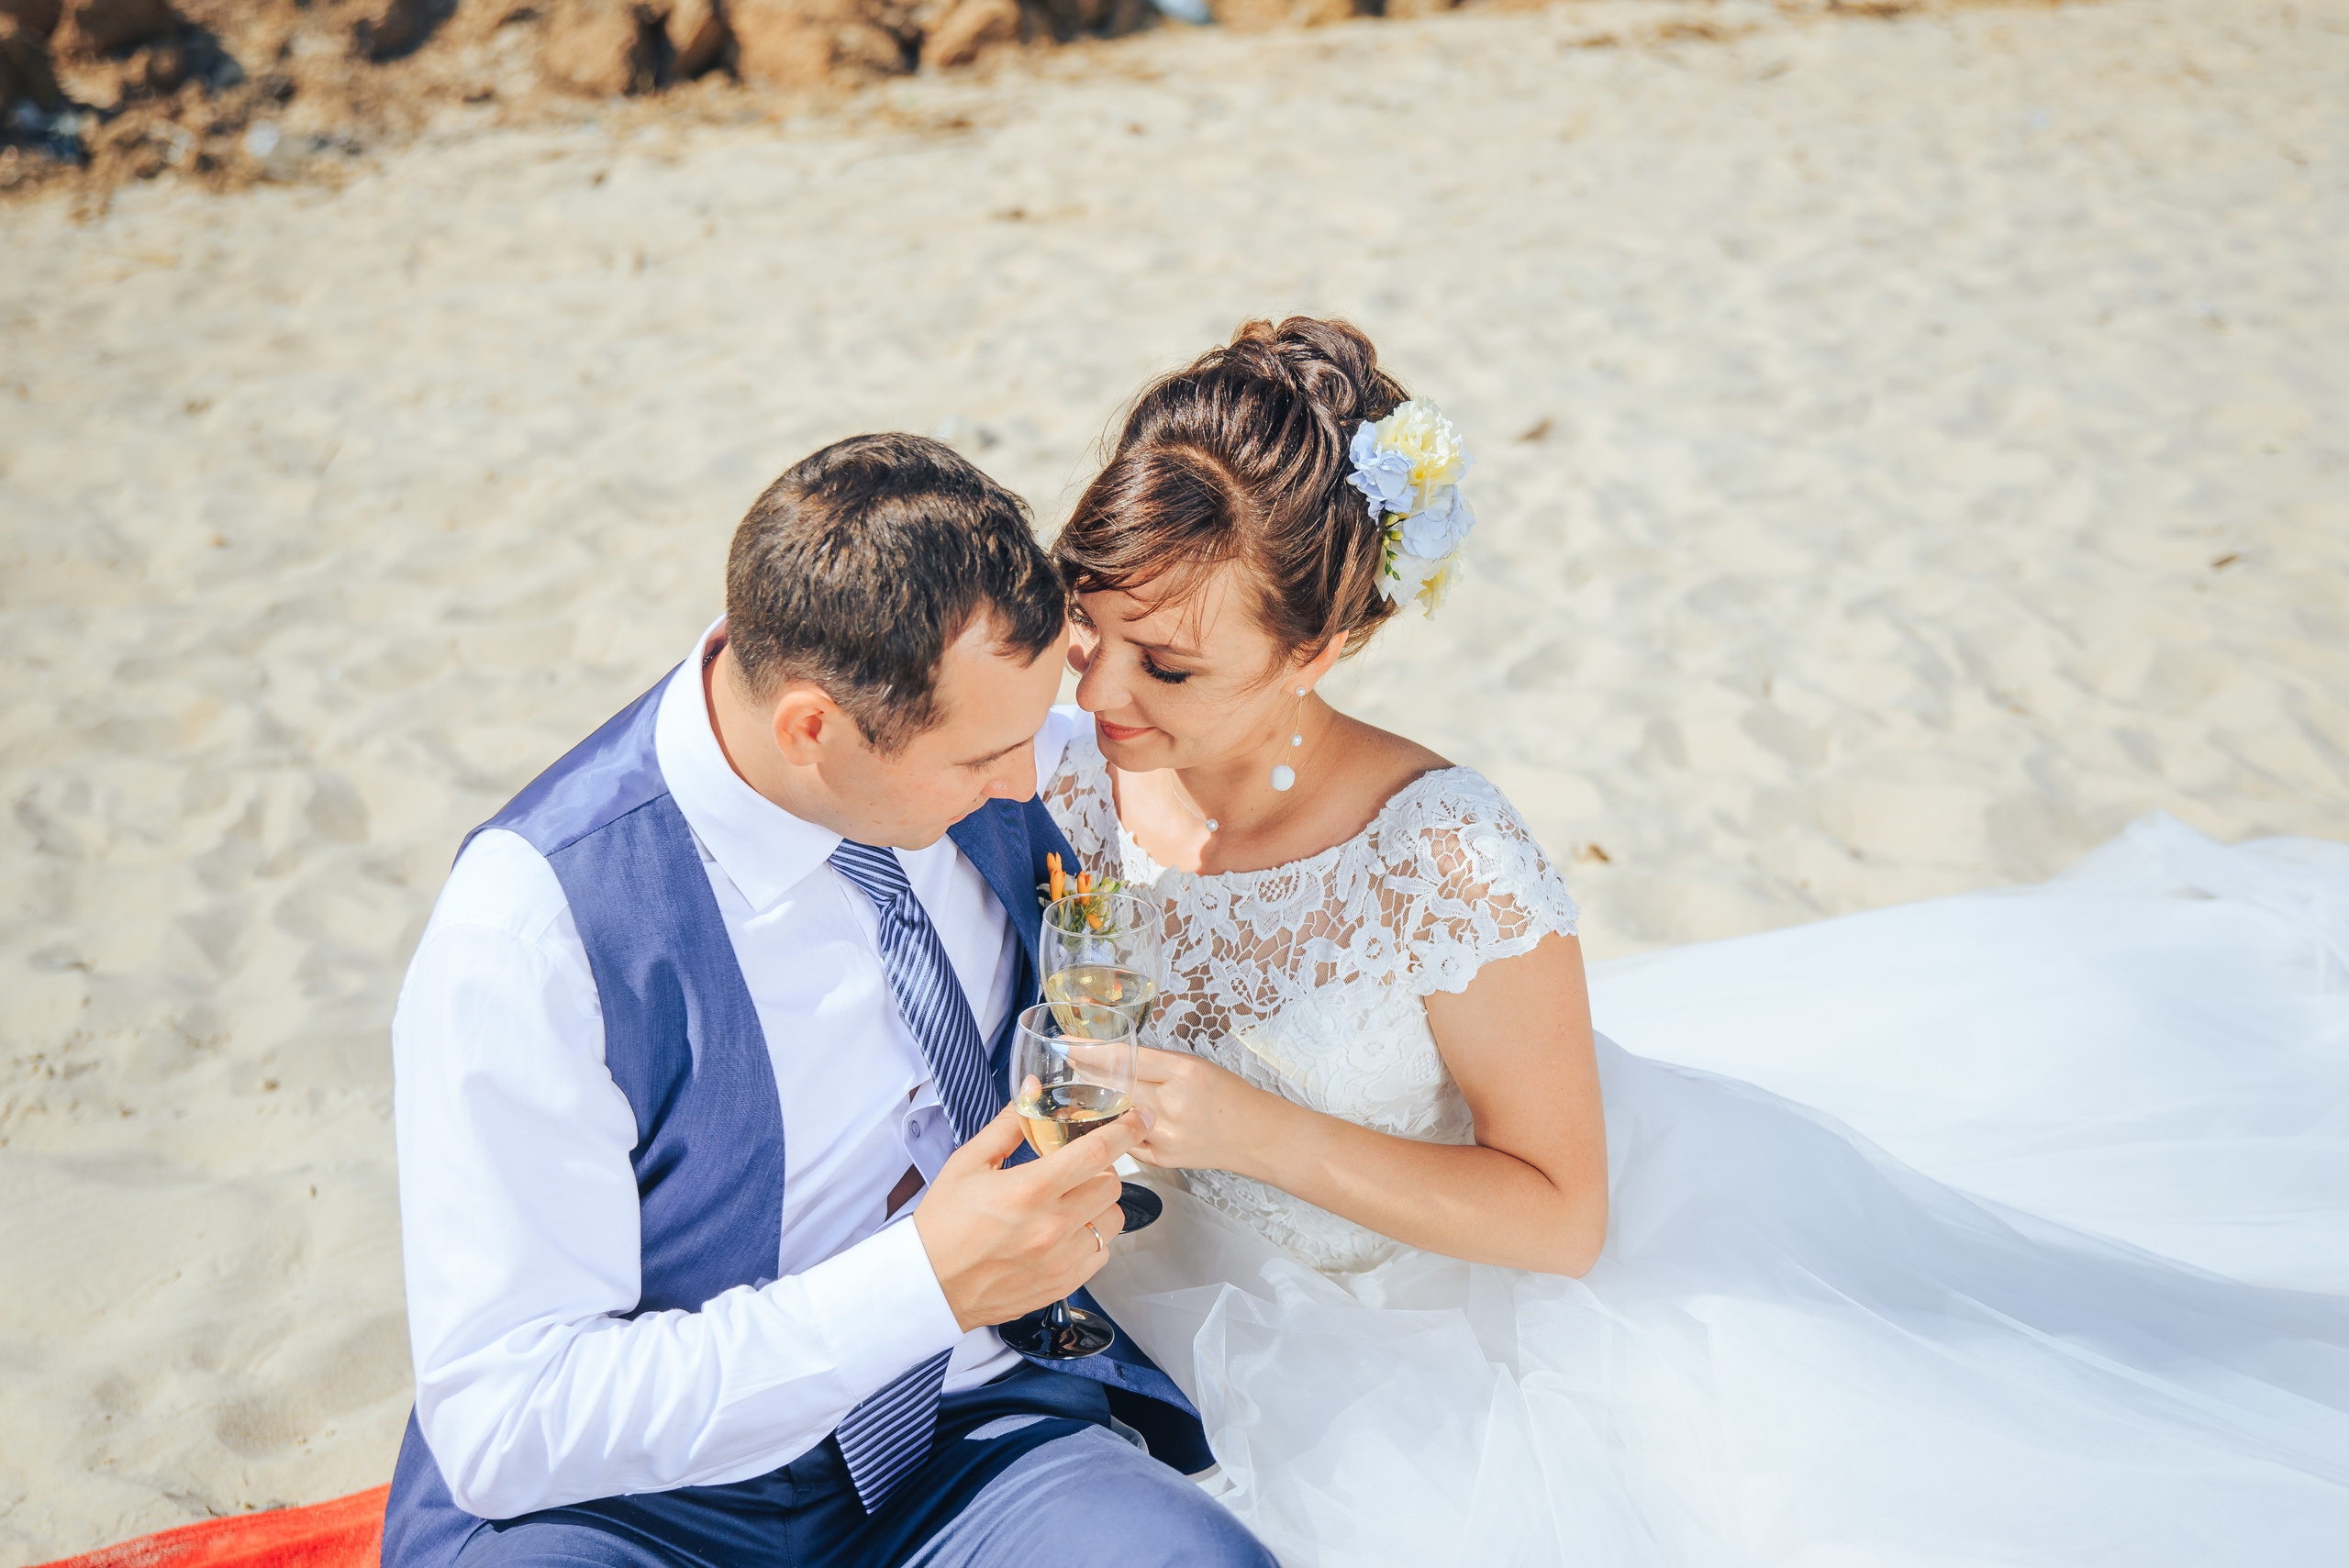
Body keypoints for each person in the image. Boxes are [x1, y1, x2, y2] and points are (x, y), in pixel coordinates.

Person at [1041, 317, 2349, 1564]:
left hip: (1449, 1327)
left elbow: (1564, 1219)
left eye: (1167, 667)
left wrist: (1253, 1131)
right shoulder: (1064, 769)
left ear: (1318, 646)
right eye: (1083, 625)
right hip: (1161, 1290)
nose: (1099, 691)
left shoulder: (1440, 858)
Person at [384, 433, 1275, 1568]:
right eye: (982, 756)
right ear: (812, 727)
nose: (1027, 779)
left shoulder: (974, 748)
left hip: (968, 1440)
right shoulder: (531, 926)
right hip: (633, 1508)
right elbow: (507, 1421)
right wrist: (918, 1285)